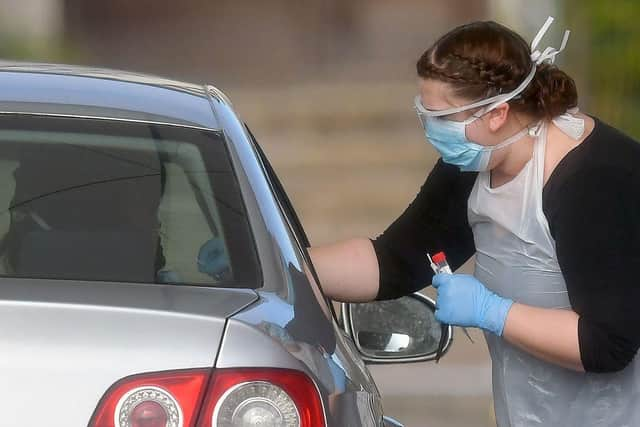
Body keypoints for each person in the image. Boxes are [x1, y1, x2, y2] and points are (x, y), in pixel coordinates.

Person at [309, 16, 640, 426]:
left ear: (498, 113)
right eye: (424, 114)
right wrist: (283, 264)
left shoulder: (593, 179)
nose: (432, 131)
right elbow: (395, 261)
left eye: (443, 119)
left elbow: (608, 343)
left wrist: (491, 311)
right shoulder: (475, 159)